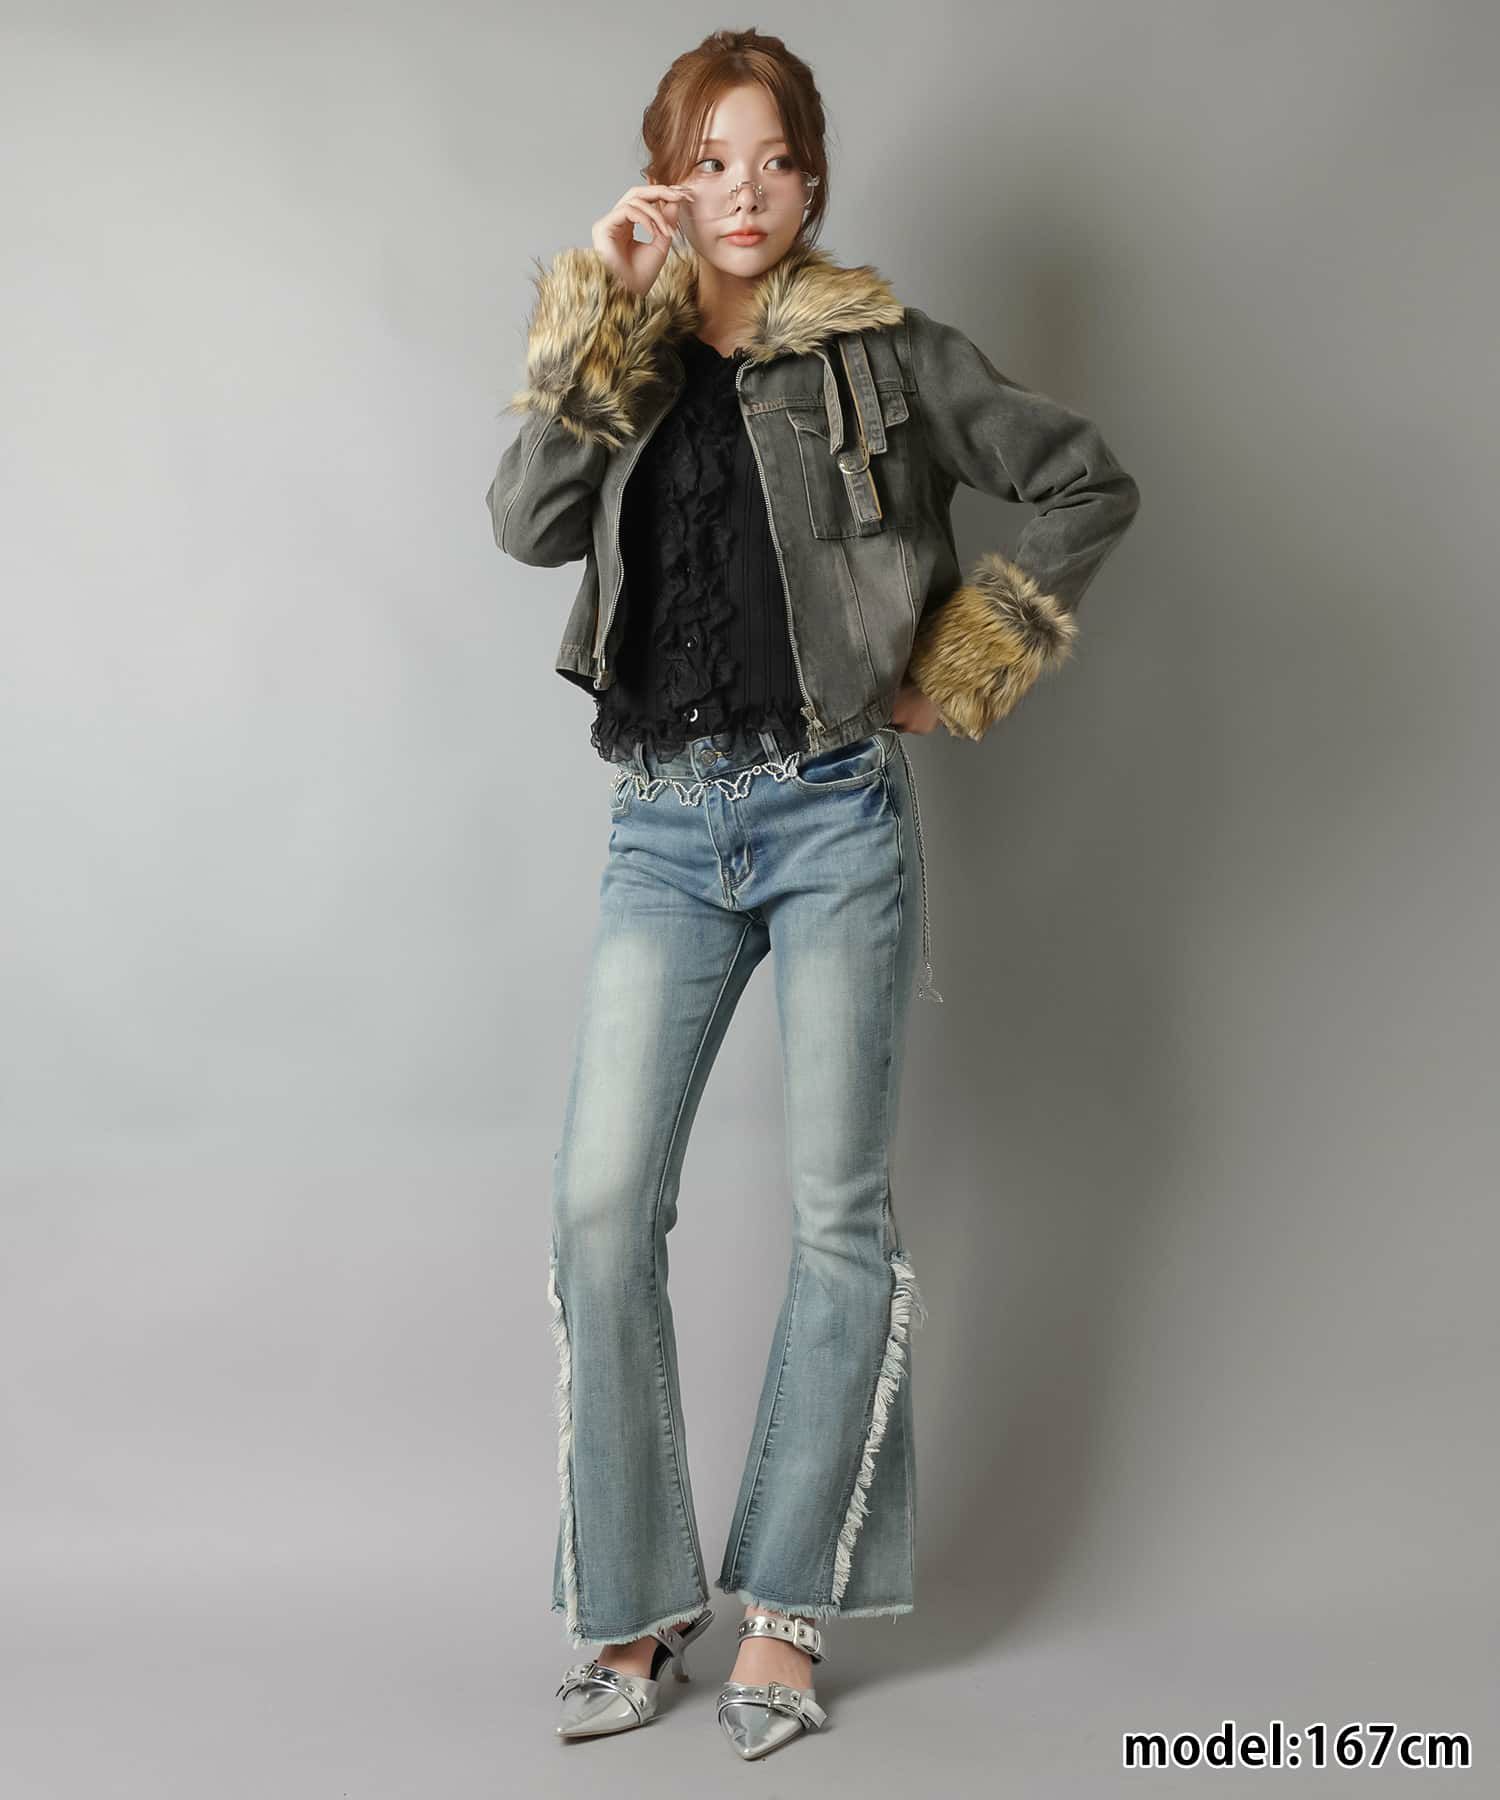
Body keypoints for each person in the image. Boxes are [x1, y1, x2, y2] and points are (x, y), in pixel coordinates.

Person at [486, 28, 1141, 1762]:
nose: (747, 191)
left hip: (835, 811)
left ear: (814, 177)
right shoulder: (628, 360)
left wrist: (967, 661)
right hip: (662, 826)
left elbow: (1085, 479)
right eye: (710, 160)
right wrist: (593, 308)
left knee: (840, 1215)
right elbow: (525, 525)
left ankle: (785, 1612)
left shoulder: (890, 355)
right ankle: (638, 1602)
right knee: (601, 1210)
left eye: (774, 158)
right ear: (665, 180)